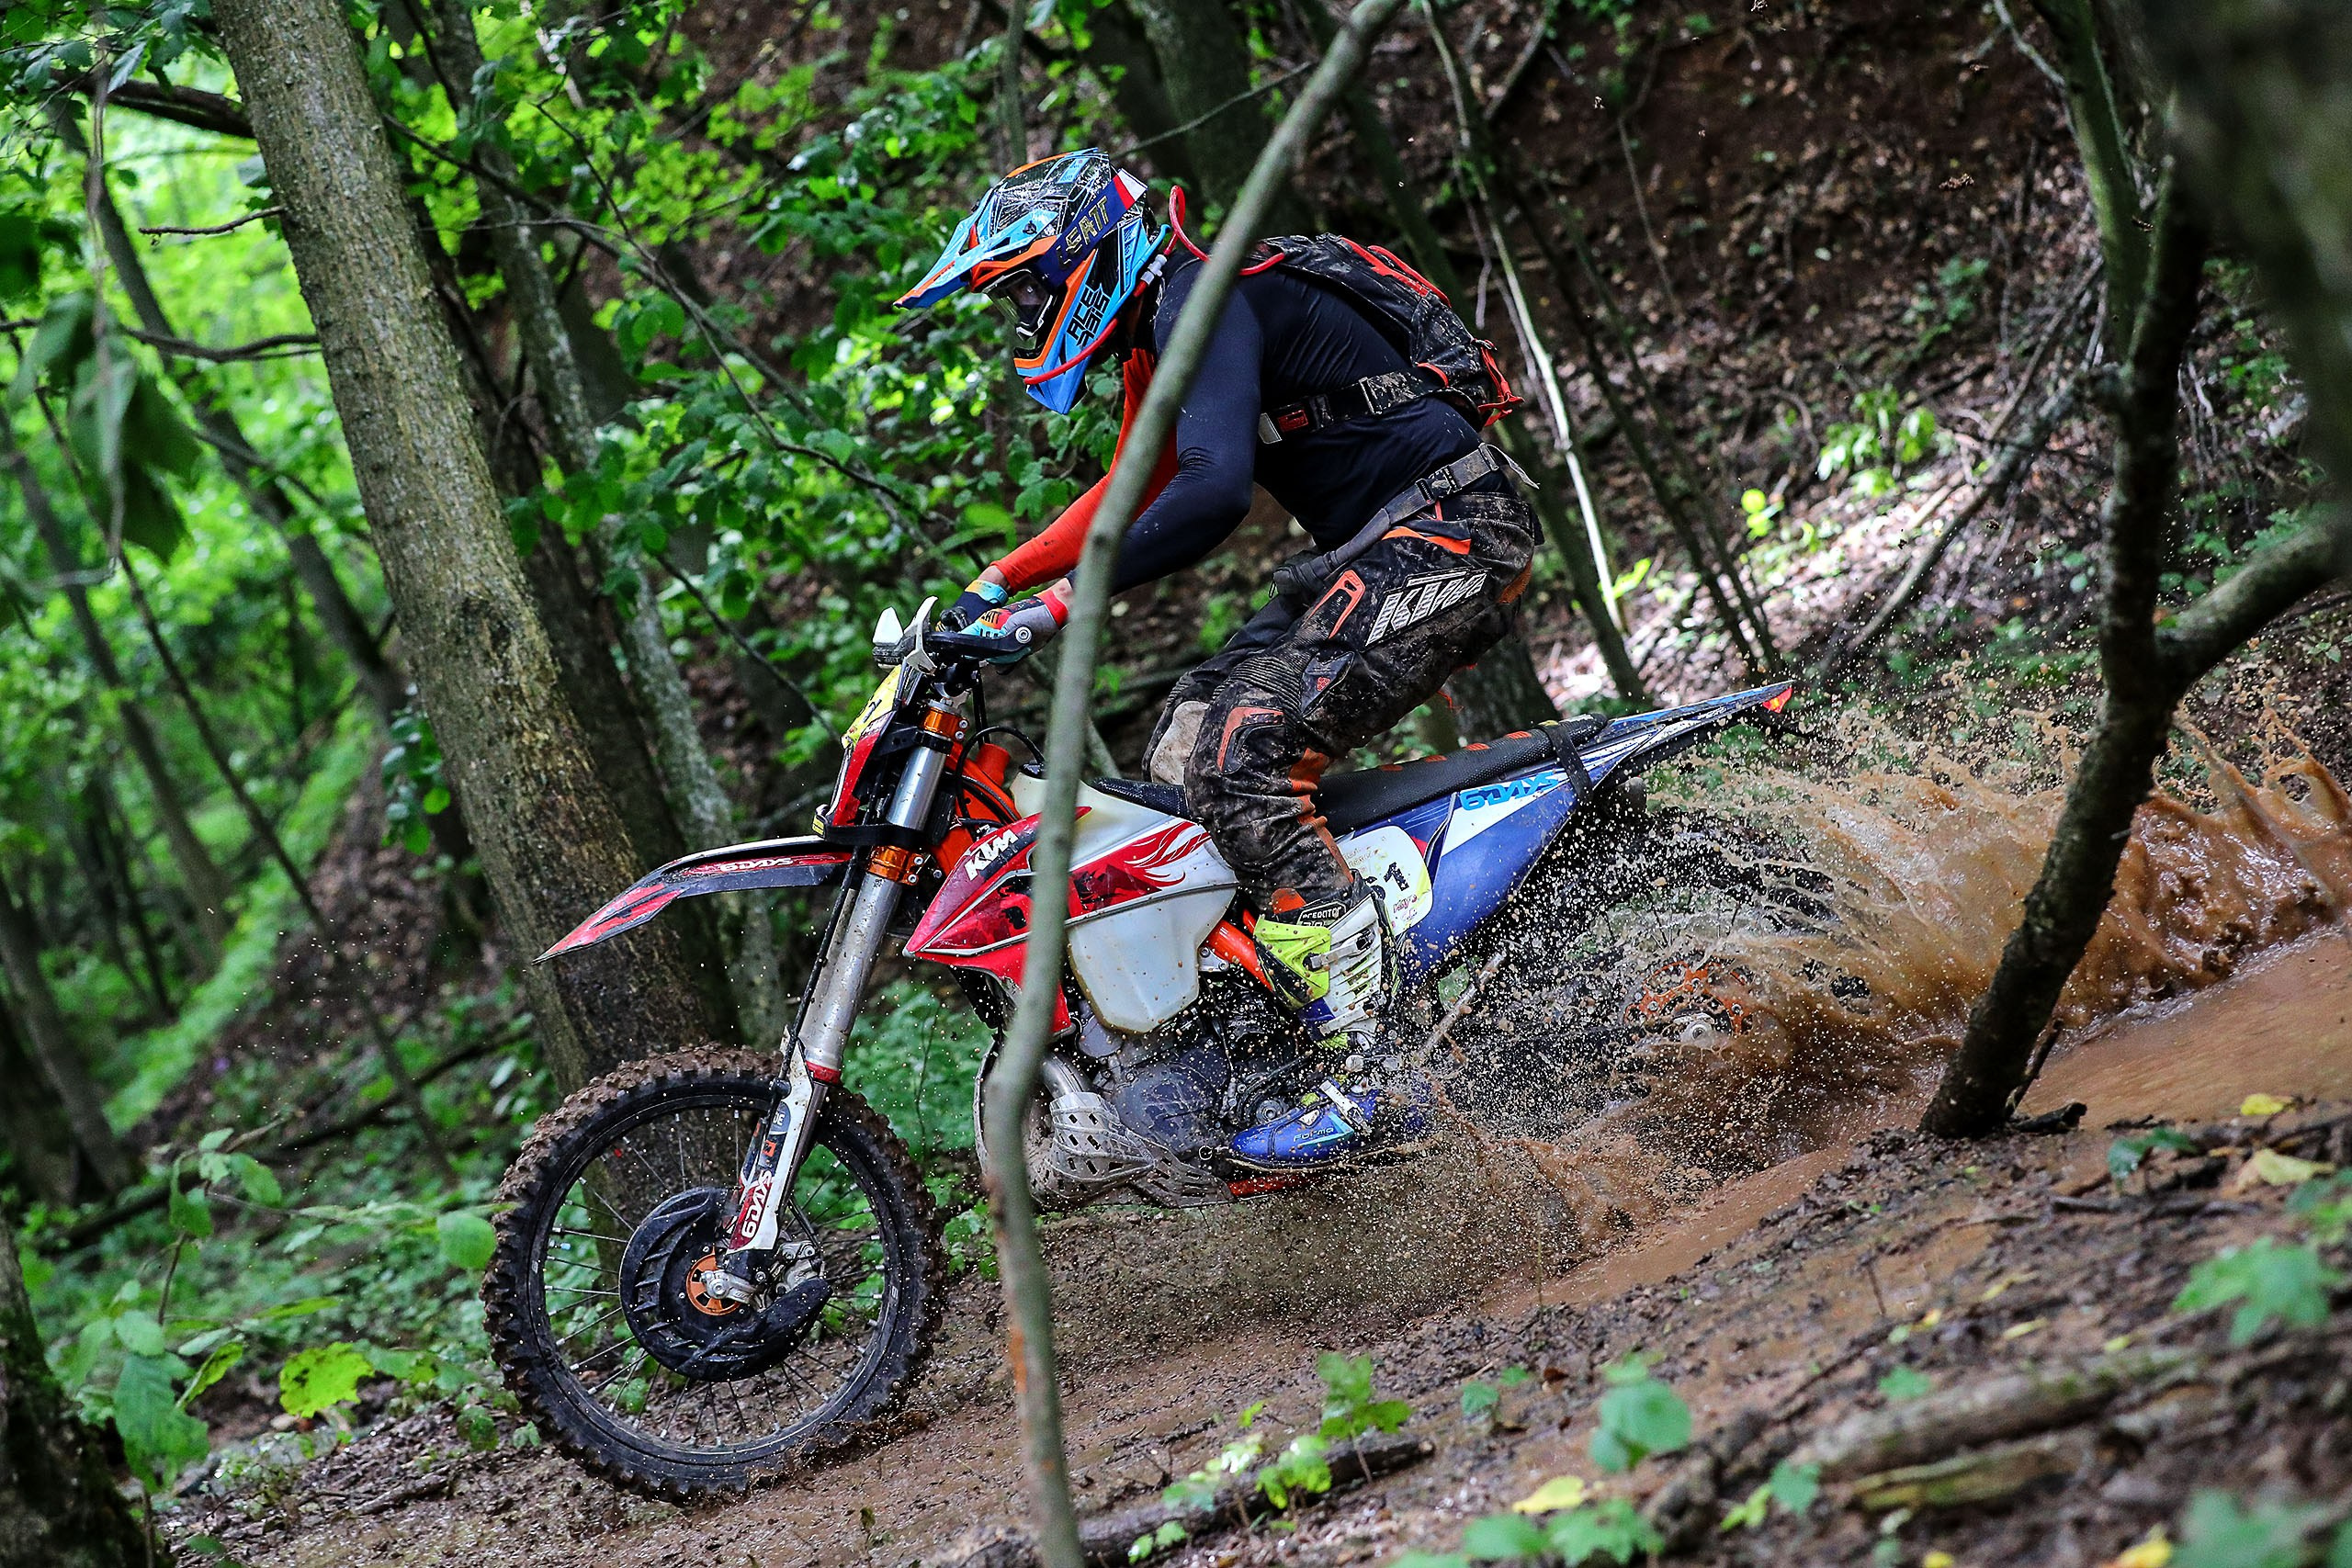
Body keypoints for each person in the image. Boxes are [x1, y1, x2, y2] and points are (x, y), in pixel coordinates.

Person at [894, 149, 1537, 1172]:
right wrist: (995, 580)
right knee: (1181, 751)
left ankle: (1364, 1060)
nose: (1024, 315)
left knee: (1245, 751)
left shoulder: (1211, 293)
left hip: (1455, 532)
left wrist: (1053, 609)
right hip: (1375, 548)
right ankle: (1257, 1035)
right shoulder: (1172, 319)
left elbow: (1207, 496)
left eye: (1026, 288)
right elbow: (1129, 488)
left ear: (1081, 255)